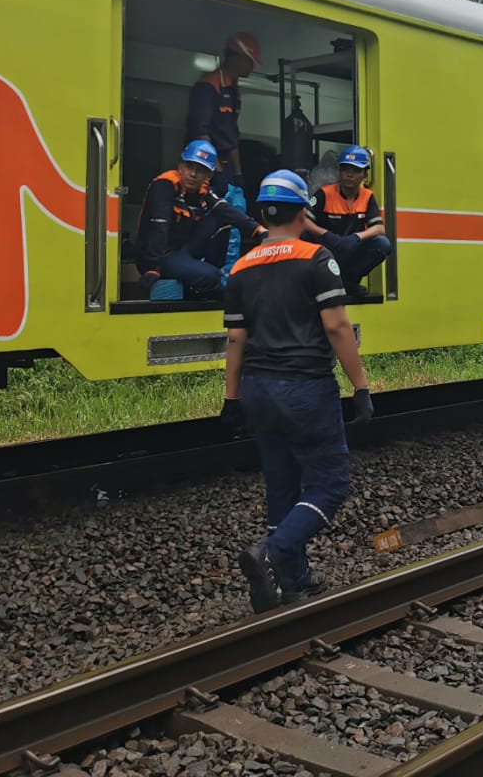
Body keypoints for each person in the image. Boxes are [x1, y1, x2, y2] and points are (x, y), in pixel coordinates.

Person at [221, 169, 374, 611]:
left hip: (258, 390)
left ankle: (293, 580)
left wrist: (231, 398)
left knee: (282, 484)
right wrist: (361, 386)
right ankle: (271, 553)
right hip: (305, 387)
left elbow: (236, 339)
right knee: (330, 486)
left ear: (263, 215)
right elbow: (337, 326)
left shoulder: (241, 267)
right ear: (303, 213)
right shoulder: (317, 258)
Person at [136, 140, 265, 298]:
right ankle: (200, 282)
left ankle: (203, 273)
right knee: (211, 276)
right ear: (180, 166)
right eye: (190, 167)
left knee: (221, 217)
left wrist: (260, 231)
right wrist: (152, 267)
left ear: (208, 175)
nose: (193, 174)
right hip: (159, 256)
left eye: (200, 170)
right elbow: (158, 227)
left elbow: (227, 210)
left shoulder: (202, 192)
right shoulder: (165, 186)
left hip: (182, 251)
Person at [305, 145, 391, 295]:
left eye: (356, 170)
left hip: (351, 249)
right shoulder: (324, 193)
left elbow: (379, 228)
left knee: (382, 244)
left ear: (365, 174)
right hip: (326, 249)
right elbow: (304, 221)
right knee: (302, 236)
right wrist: (325, 234)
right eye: (345, 169)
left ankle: (349, 281)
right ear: (340, 172)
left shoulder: (367, 196)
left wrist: (356, 238)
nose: (349, 175)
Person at [186, 31, 261, 197]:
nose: (252, 67)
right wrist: (214, 167)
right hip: (206, 166)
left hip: (225, 167)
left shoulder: (233, 89)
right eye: (251, 62)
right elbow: (199, 131)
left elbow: (231, 135)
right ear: (238, 58)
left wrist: (238, 173)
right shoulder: (209, 85)